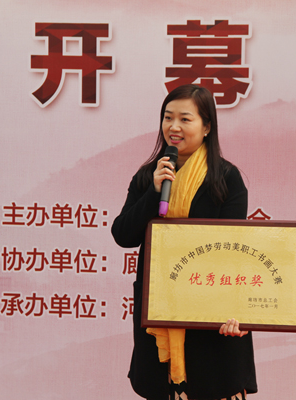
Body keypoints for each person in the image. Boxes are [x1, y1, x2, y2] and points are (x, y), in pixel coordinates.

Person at [111, 84, 257, 400]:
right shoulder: (149, 176)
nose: (173, 127)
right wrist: (154, 193)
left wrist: (240, 310)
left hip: (213, 320)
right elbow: (123, 235)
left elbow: (234, 254)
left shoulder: (226, 179)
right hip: (160, 315)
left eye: (185, 119)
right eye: (168, 117)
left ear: (207, 127)